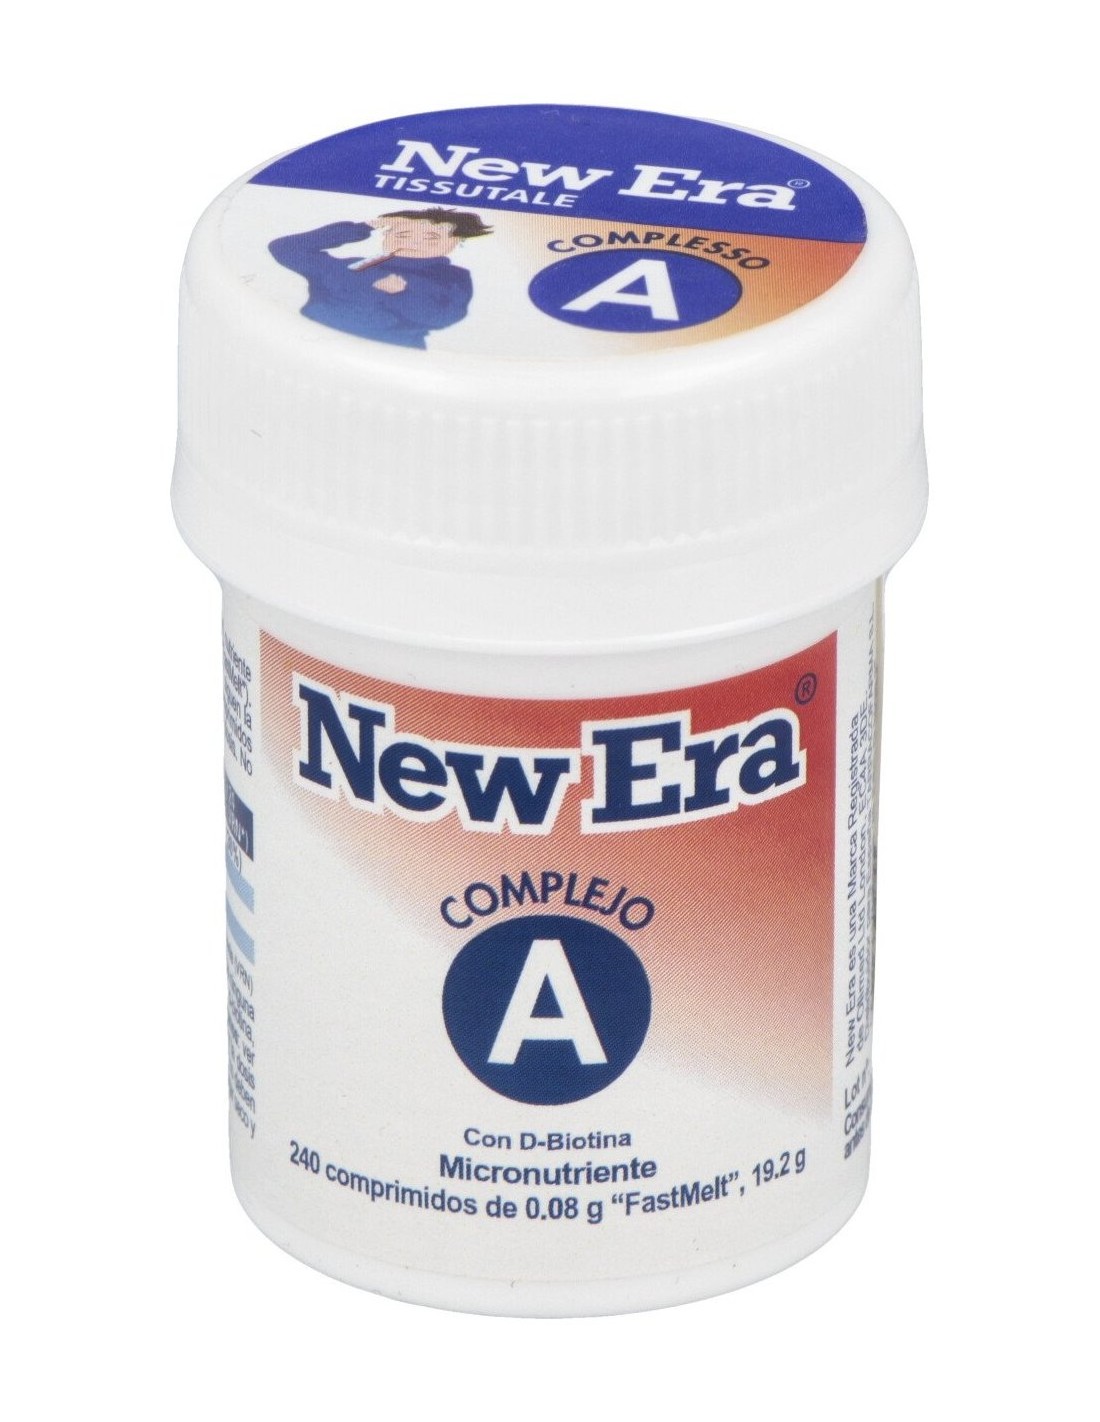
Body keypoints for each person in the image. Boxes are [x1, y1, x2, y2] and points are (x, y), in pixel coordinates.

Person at [268, 208, 492, 349]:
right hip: (309, 346)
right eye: (403, 234)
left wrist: (402, 295)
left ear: (455, 242)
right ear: (385, 236)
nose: (414, 242)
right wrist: (363, 227)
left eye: (431, 237)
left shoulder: (452, 278)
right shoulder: (348, 266)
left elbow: (443, 317)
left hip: (394, 359)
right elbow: (286, 248)